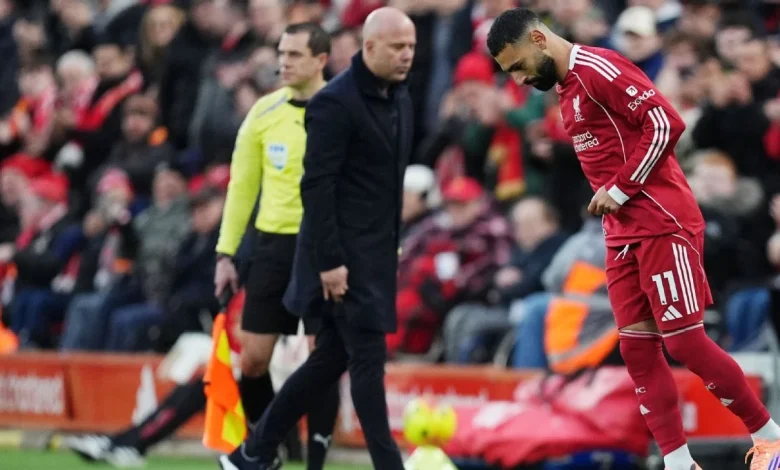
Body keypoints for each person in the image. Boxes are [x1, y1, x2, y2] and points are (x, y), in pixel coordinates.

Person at [486, 8, 780, 470]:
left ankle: (770, 437)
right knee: (636, 349)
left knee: (683, 342)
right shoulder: (565, 90)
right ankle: (680, 463)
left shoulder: (599, 68)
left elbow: (666, 123)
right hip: (622, 232)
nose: (519, 79)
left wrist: (620, 188)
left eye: (518, 65)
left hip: (662, 220)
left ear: (539, 39)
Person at [218, 7, 416, 470]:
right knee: (367, 361)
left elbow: (389, 186)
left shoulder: (401, 99)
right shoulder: (336, 102)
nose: (406, 55)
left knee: (329, 360)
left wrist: (393, 245)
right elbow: (317, 186)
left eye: (410, 47)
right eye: (396, 47)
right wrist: (329, 262)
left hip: (376, 255)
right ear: (368, 48)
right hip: (339, 259)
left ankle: (252, 452)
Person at [212, 22, 340, 470]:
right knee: (252, 360)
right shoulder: (264, 113)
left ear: (321, 60)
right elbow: (241, 187)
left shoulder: (344, 108)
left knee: (320, 358)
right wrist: (227, 254)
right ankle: (276, 450)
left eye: (294, 55)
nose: (283, 62)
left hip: (325, 247)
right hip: (273, 246)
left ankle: (316, 463)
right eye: (281, 53)